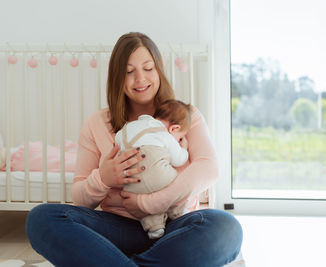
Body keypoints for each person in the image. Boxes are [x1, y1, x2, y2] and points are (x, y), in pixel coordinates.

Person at [25, 32, 242, 267]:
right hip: (119, 229)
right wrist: (103, 178)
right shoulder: (97, 123)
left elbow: (209, 168)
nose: (140, 79)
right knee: (42, 218)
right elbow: (79, 197)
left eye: (148, 68)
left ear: (159, 69)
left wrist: (152, 203)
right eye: (129, 72)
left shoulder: (184, 115)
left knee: (225, 228)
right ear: (118, 77)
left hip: (176, 227)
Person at [115, 99, 192, 239]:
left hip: (131, 183)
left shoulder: (129, 127)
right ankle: (178, 212)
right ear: (174, 129)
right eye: (179, 137)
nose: (178, 140)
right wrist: (184, 148)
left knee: (145, 205)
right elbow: (179, 159)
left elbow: (118, 139)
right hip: (159, 176)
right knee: (180, 183)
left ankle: (154, 228)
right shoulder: (164, 134)